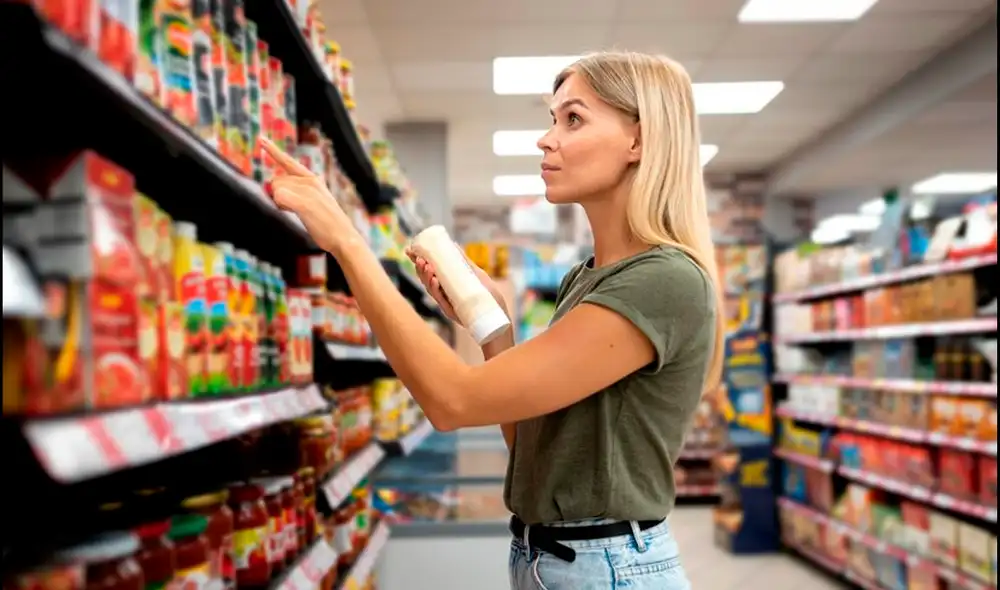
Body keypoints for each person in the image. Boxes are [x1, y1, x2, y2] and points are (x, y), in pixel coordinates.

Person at [261, 50, 723, 590]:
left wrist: (346, 243)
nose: (546, 139)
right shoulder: (588, 277)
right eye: (552, 119)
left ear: (638, 141)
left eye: (572, 119)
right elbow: (532, 447)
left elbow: (452, 401)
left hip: (607, 567)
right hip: (552, 558)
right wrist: (492, 327)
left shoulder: (662, 279)